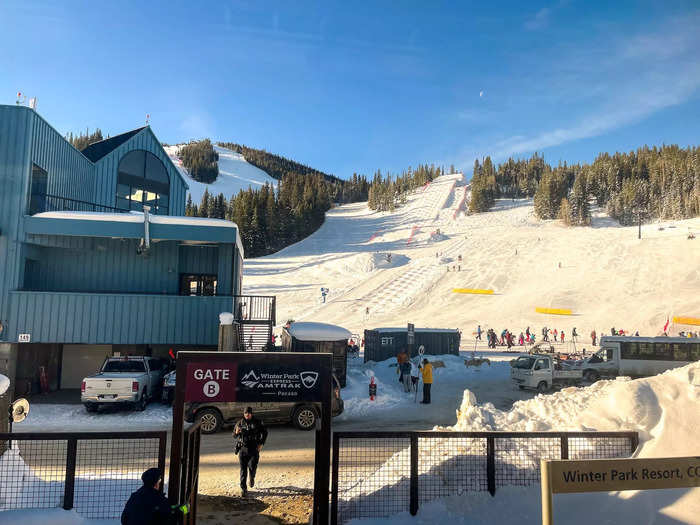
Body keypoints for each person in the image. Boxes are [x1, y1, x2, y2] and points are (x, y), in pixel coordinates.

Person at [234, 407, 268, 497]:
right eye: (245, 413)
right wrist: (236, 432)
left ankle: (252, 478)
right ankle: (243, 488)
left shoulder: (257, 422)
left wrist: (261, 444)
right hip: (243, 449)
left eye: (248, 413)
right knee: (243, 470)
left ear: (251, 413)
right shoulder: (240, 423)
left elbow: (265, 433)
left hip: (253, 449)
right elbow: (234, 435)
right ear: (244, 414)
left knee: (252, 467)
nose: (247, 415)